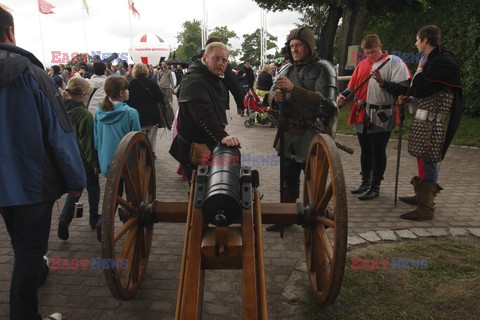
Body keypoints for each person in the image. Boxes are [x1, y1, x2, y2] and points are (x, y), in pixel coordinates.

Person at [0, 6, 86, 320]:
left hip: (7, 186)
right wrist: (77, 181)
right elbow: (60, 133)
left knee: (22, 245)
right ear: (11, 32)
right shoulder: (33, 74)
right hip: (32, 184)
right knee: (28, 251)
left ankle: (37, 275)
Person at [373, 25, 462, 221]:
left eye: (417, 39)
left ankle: (426, 207)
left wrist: (420, 70)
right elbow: (424, 92)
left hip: (432, 123)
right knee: (423, 157)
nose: (415, 43)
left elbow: (423, 88)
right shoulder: (433, 60)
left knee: (428, 158)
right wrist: (409, 98)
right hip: (425, 121)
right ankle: (421, 196)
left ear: (426, 41)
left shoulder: (442, 62)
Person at [266, 26, 338, 231]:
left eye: (299, 45)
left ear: (309, 46)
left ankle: (316, 216)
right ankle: (286, 216)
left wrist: (293, 90)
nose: (295, 49)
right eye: (292, 46)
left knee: (314, 183)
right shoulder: (286, 69)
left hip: (312, 135)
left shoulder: (324, 68)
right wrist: (274, 98)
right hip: (288, 135)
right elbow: (269, 96)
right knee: (287, 182)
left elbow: (328, 105)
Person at [337, 34, 410, 200]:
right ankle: (365, 181)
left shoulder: (395, 62)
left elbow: (404, 89)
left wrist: (383, 82)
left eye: (373, 51)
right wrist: (343, 97)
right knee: (366, 150)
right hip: (362, 113)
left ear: (380, 46)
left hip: (383, 114)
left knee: (377, 151)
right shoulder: (362, 65)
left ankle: (375, 185)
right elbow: (352, 87)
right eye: (367, 52)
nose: (371, 55)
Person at [169, 42, 241, 181]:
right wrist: (222, 136)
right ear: (205, 57)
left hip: (207, 142)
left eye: (224, 60)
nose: (220, 63)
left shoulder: (212, 75)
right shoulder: (194, 80)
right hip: (194, 146)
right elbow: (202, 112)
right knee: (199, 190)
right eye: (216, 58)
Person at [58, 77, 101, 241]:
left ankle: (64, 218)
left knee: (75, 191)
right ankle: (94, 217)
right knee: (93, 188)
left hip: (67, 160)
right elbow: (88, 143)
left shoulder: (60, 112)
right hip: (84, 161)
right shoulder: (85, 116)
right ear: (84, 94)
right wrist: (94, 163)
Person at [94, 75, 141, 178]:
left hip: (106, 161)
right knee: (132, 192)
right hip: (127, 163)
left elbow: (96, 141)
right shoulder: (131, 113)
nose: (128, 91)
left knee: (113, 191)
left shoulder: (99, 113)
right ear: (121, 93)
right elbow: (138, 140)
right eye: (126, 89)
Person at [191, 36, 246, 116]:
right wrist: (241, 104)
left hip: (194, 106)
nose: (220, 62)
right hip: (216, 103)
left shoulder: (194, 64)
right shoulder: (221, 63)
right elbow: (233, 84)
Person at [128, 63, 165, 158]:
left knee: (140, 136)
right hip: (152, 115)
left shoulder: (130, 84)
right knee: (151, 136)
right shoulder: (152, 83)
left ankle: (141, 154)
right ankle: (151, 153)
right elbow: (161, 97)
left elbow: (127, 100)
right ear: (146, 71)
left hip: (138, 116)